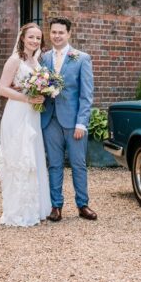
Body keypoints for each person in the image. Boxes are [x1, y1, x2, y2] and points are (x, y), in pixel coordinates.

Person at [40, 17, 97, 222]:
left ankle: (83, 205)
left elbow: (86, 94)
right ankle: (56, 206)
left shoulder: (81, 58)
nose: (57, 36)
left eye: (61, 32)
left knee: (78, 164)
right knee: (54, 164)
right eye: (54, 32)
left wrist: (82, 122)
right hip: (50, 120)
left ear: (69, 34)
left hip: (74, 122)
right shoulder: (43, 58)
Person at [0, 23, 52, 227]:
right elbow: (2, 89)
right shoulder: (14, 60)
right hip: (18, 112)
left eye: (38, 38)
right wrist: (27, 98)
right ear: (22, 38)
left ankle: (35, 208)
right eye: (31, 37)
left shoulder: (36, 61)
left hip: (33, 114)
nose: (35, 41)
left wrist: (43, 94)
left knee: (33, 156)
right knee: (20, 157)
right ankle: (18, 211)